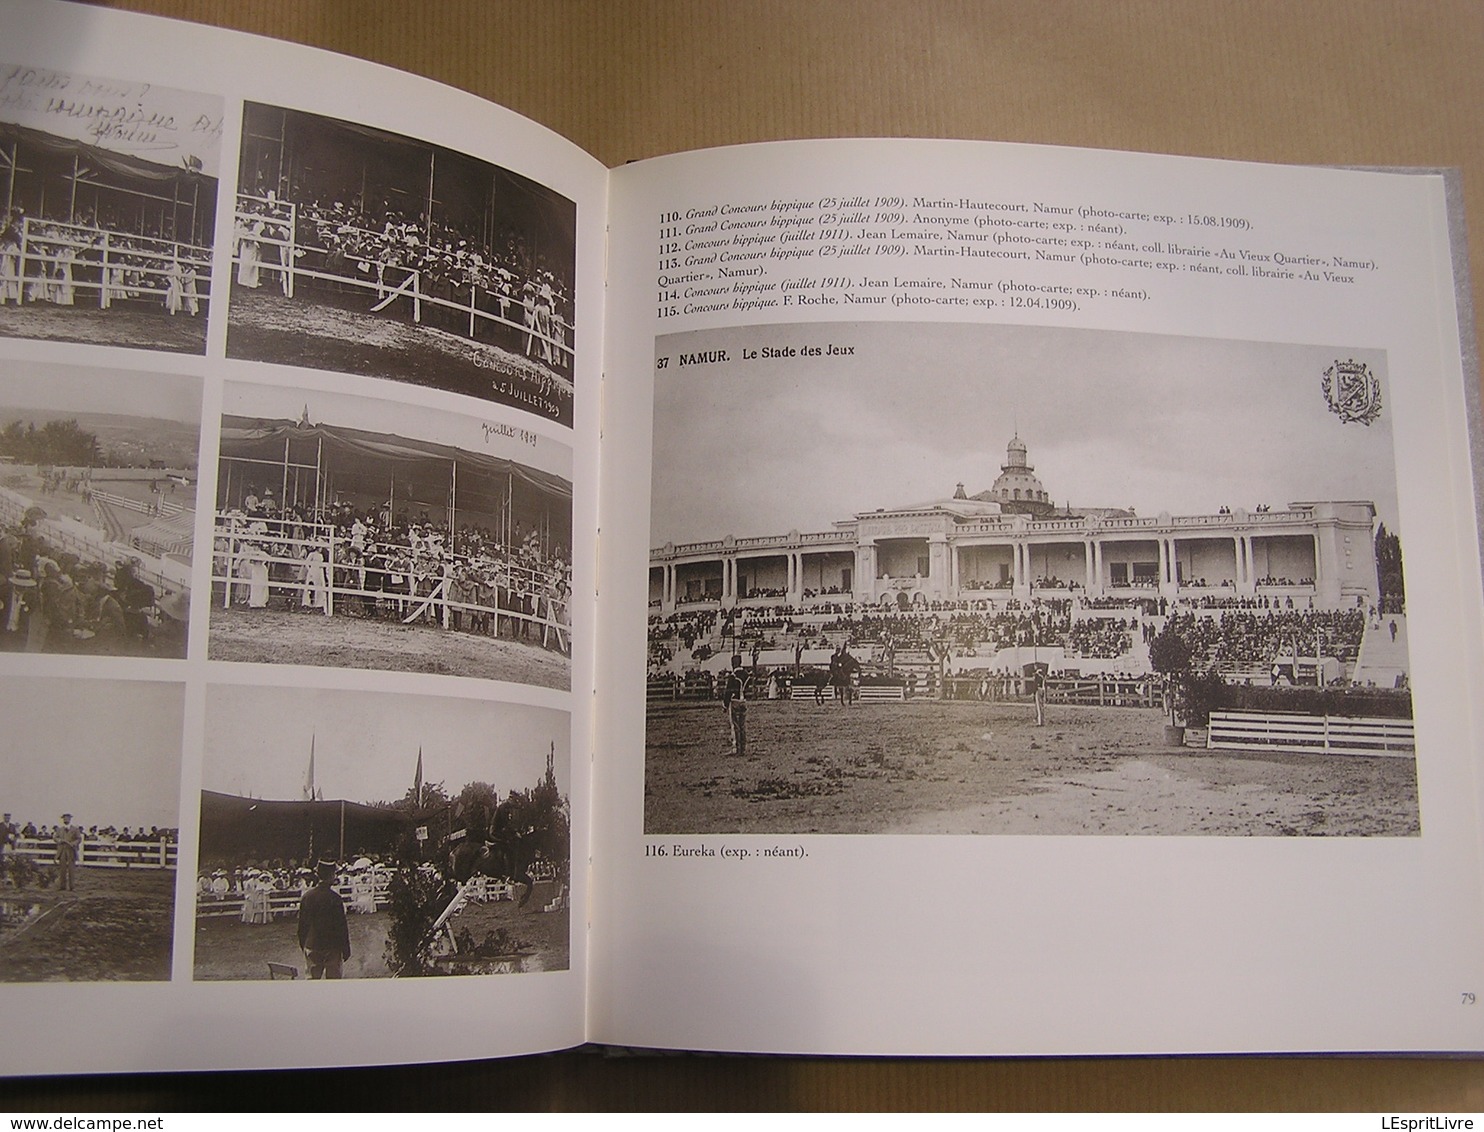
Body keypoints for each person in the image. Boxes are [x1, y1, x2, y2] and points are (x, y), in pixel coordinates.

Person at [298, 857, 351, 979]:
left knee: (312, 983)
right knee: (333, 984)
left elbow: (302, 926)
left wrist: (304, 944)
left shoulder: (307, 897)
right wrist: (345, 948)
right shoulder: (335, 898)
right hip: (332, 947)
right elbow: (341, 926)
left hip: (312, 944)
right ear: (331, 875)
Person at [720, 654, 750, 757]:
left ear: (733, 664)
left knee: (735, 726)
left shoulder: (733, 676)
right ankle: (743, 748)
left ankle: (736, 748)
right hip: (743, 701)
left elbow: (728, 692)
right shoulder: (746, 675)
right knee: (742, 726)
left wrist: (725, 705)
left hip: (735, 701)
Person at [54, 813, 82, 892]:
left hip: (71, 851)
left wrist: (74, 843)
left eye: (67, 818)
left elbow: (79, 839)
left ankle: (72, 887)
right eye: (64, 818)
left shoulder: (75, 829)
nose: (66, 820)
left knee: (71, 869)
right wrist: (59, 840)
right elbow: (55, 837)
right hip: (62, 850)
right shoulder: (60, 829)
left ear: (70, 819)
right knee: (62, 869)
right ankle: (62, 886)